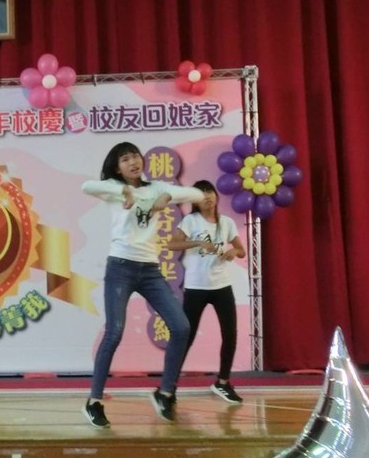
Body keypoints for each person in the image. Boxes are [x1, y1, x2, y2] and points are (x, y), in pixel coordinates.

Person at [81, 142, 204, 427]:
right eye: (125, 159)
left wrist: (166, 197)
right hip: (120, 268)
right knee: (114, 332)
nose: (133, 162)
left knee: (181, 327)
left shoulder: (156, 188)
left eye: (135, 156)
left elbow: (197, 193)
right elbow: (86, 186)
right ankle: (94, 401)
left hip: (150, 270)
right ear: (117, 167)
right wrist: (122, 191)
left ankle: (165, 392)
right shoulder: (113, 188)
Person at [167, 180, 247, 404]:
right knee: (187, 336)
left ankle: (223, 382)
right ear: (195, 201)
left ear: (216, 195)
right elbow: (172, 245)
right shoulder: (190, 221)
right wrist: (197, 244)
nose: (207, 197)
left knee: (230, 334)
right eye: (201, 195)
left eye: (209, 192)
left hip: (222, 286)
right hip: (196, 287)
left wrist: (233, 252)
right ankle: (168, 386)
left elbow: (240, 250)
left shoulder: (227, 222)